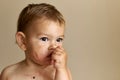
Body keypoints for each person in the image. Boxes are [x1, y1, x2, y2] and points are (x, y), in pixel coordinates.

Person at [0, 3, 72, 80]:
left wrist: (61, 70)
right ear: (23, 41)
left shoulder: (60, 72)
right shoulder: (9, 74)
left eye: (59, 39)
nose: (53, 46)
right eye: (44, 39)